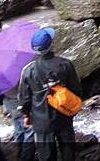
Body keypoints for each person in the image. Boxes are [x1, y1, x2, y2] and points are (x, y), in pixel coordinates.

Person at [18, 28, 82, 161]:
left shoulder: (28, 71)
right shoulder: (65, 64)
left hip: (41, 119)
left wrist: (26, 115)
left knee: (46, 155)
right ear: (51, 44)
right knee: (68, 150)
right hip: (63, 114)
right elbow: (76, 90)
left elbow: (25, 99)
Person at [3, 86, 34, 161]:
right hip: (19, 105)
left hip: (10, 105)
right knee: (29, 132)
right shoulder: (16, 78)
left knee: (19, 130)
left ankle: (19, 152)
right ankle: (26, 157)